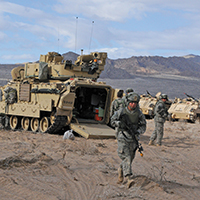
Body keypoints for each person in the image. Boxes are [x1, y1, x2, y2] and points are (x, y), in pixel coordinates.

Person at [111, 93, 146, 188]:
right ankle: (128, 178)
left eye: (135, 103)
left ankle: (121, 171)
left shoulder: (139, 113)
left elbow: (143, 125)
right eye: (131, 102)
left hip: (133, 138)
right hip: (123, 136)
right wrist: (119, 124)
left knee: (130, 158)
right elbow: (112, 121)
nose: (133, 104)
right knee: (126, 157)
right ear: (128, 102)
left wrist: (138, 131)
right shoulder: (121, 111)